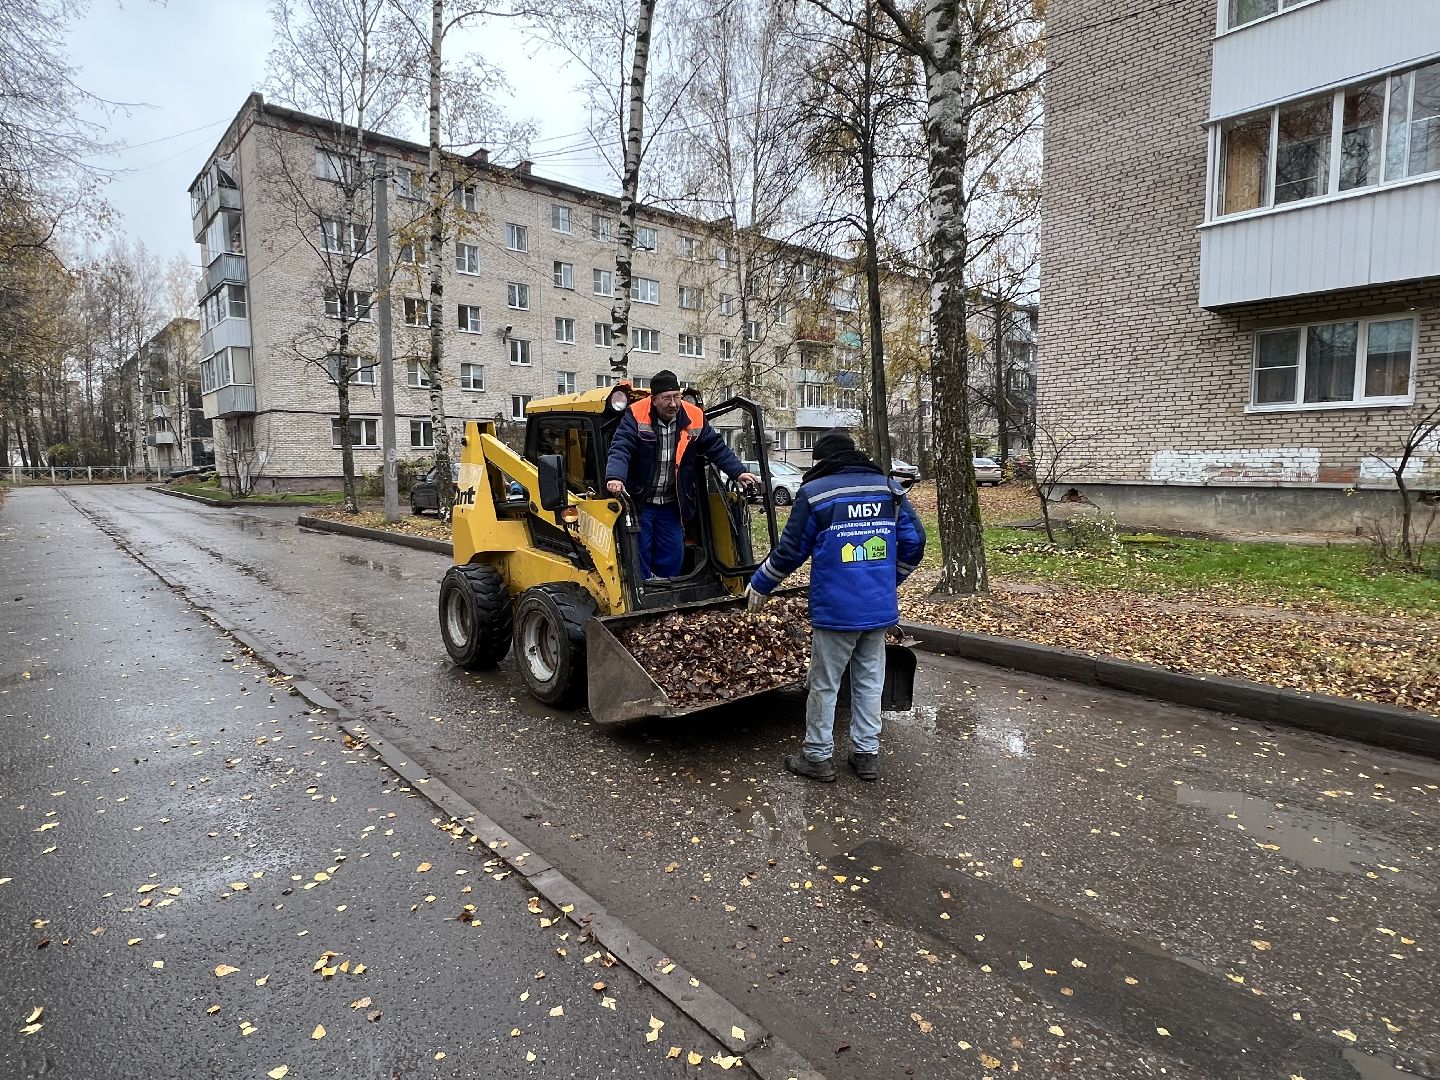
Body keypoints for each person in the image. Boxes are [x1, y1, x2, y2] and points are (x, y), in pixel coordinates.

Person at [745, 430, 925, 783]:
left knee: (824, 683)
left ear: (821, 462)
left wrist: (761, 582)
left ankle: (816, 756)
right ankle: (866, 754)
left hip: (837, 610)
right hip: (877, 608)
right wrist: (889, 581)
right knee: (870, 680)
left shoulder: (816, 493)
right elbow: (914, 542)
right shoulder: (889, 490)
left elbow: (791, 550)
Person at [605, 370, 759, 579]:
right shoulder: (635, 414)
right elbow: (621, 447)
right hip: (641, 501)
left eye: (676, 397)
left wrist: (738, 472)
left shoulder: (694, 416)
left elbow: (716, 447)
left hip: (672, 502)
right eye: (666, 399)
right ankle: (644, 594)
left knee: (673, 551)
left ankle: (668, 594)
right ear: (654, 399)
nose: (673, 403)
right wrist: (615, 477)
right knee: (638, 550)